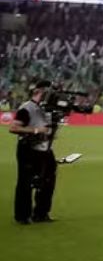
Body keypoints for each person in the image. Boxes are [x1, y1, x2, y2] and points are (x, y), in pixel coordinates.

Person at [10, 80, 58, 223]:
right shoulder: (27, 108)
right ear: (41, 91)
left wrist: (49, 134)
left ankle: (41, 213)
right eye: (51, 92)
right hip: (28, 148)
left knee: (48, 180)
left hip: (45, 148)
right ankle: (23, 216)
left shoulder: (47, 109)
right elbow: (14, 128)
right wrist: (36, 130)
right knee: (26, 182)